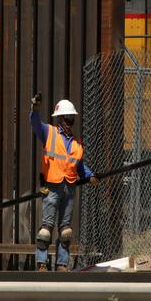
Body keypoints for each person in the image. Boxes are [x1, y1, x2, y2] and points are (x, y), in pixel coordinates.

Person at [30, 96, 99, 272]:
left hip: (69, 188)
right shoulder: (49, 132)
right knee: (46, 229)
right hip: (52, 187)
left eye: (71, 118)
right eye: (67, 117)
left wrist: (90, 176)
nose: (70, 121)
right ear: (60, 119)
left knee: (65, 230)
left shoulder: (76, 143)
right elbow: (35, 124)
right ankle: (42, 264)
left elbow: (78, 165)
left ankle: (62, 264)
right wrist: (35, 109)